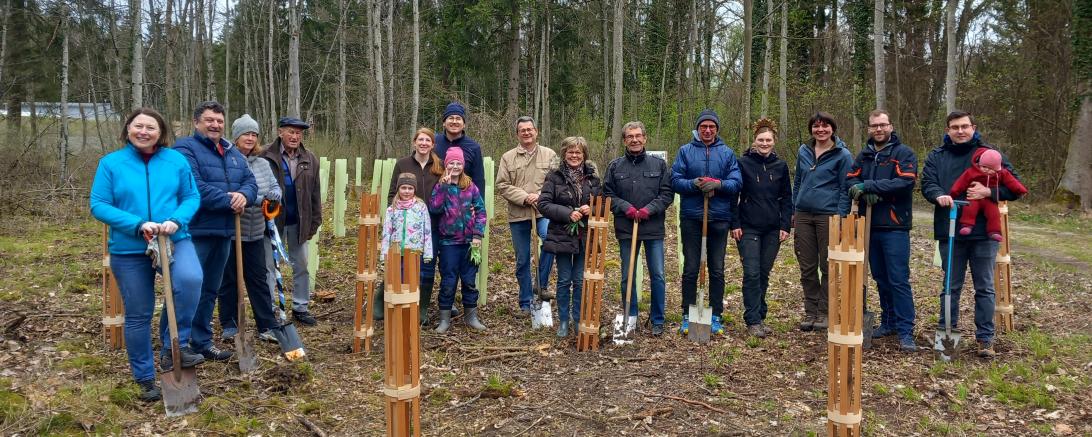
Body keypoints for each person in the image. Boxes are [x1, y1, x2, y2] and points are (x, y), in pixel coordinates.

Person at [91, 108, 205, 401]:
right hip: (130, 248)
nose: (144, 132)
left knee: (190, 281)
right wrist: (137, 224)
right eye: (138, 126)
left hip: (174, 239)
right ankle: (144, 377)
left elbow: (191, 196)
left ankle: (172, 348)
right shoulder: (111, 164)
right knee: (139, 313)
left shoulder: (176, 161)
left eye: (150, 127)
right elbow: (99, 204)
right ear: (128, 129)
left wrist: (176, 220)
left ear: (161, 132)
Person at [921, 110, 1024, 358]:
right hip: (950, 229)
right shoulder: (937, 156)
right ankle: (947, 334)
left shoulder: (990, 155)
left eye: (964, 126)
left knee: (985, 287)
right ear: (948, 130)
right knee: (950, 286)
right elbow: (927, 183)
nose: (960, 131)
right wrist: (939, 195)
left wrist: (989, 194)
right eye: (955, 127)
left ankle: (985, 339)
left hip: (984, 234)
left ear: (973, 127)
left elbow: (1015, 186)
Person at [174, 101, 257, 362]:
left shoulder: (232, 152)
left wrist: (244, 195)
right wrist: (229, 200)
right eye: (209, 120)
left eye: (219, 121)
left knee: (210, 289)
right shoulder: (185, 148)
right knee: (186, 288)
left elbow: (250, 182)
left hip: (223, 231)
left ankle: (202, 341)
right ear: (196, 122)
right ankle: (175, 343)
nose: (215, 125)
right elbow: (194, 186)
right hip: (194, 231)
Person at [840, 109, 919, 351]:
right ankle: (889, 322)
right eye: (874, 126)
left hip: (894, 226)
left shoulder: (903, 153)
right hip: (869, 227)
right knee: (880, 278)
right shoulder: (864, 156)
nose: (879, 129)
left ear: (891, 126)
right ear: (869, 129)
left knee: (898, 279)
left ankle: (906, 331)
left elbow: (905, 182)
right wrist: (859, 188)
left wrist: (871, 186)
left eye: (883, 125)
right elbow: (850, 179)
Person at [670, 109, 742, 336]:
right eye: (703, 127)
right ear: (698, 129)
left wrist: (718, 184)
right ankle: (687, 314)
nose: (707, 130)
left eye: (711, 127)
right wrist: (694, 183)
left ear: (717, 129)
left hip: (719, 218)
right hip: (692, 218)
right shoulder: (685, 151)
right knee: (691, 267)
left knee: (717, 269)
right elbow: (675, 180)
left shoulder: (727, 153)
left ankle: (716, 315)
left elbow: (736, 182)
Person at [215, 114, 281, 344]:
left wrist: (275, 195)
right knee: (229, 279)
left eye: (254, 134)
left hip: (255, 231)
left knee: (258, 278)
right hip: (231, 232)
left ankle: (266, 324)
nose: (250, 138)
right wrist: (252, 198)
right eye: (246, 134)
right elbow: (230, 193)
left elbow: (273, 186)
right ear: (235, 137)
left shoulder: (263, 163)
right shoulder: (227, 161)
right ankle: (230, 324)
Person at [603, 121, 674, 336]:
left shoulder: (658, 165)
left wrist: (648, 210)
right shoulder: (615, 166)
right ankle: (630, 317)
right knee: (628, 274)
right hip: (626, 229)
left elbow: (666, 193)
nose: (634, 140)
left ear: (645, 138)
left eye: (638, 136)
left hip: (653, 228)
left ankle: (657, 319)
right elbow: (607, 194)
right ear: (624, 140)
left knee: (658, 275)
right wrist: (625, 208)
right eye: (630, 136)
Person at [730, 118, 792, 339]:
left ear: (774, 142)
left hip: (773, 229)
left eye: (768, 140)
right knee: (752, 273)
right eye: (760, 140)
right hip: (748, 228)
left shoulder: (781, 166)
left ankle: (760, 315)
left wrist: (785, 225)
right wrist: (734, 223)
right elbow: (734, 195)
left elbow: (786, 198)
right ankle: (752, 320)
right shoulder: (743, 163)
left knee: (764, 273)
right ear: (754, 141)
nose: (764, 144)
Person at [792, 112, 853, 332]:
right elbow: (798, 181)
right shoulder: (803, 151)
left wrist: (840, 216)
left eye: (825, 126)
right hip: (803, 215)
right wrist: (794, 207)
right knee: (807, 266)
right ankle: (811, 310)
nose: (821, 130)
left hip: (828, 216)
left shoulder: (843, 155)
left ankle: (825, 312)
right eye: (816, 126)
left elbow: (846, 189)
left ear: (832, 129)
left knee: (827, 266)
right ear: (811, 130)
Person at [538, 136, 602, 337]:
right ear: (564, 154)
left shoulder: (593, 178)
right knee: (564, 280)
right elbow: (544, 204)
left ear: (584, 155)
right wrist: (567, 213)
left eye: (578, 152)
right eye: (570, 152)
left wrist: (590, 208)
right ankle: (563, 321)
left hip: (585, 236)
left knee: (580, 280)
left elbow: (602, 204)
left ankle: (577, 319)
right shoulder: (554, 177)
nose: (574, 156)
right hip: (561, 236)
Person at [261, 117, 322, 327]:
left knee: (302, 264)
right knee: (269, 266)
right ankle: (271, 310)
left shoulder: (310, 159)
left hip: (299, 222)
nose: (295, 137)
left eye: (298, 133)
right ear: (280, 133)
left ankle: (300, 306)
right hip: (272, 223)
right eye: (290, 132)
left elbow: (315, 193)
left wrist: (315, 221)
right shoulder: (266, 156)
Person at [496, 116, 558, 313]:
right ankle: (525, 301)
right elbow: (502, 185)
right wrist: (525, 197)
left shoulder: (549, 155)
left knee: (550, 238)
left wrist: (539, 196)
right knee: (522, 259)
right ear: (517, 134)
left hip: (544, 210)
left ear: (536, 131)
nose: (526, 133)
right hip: (518, 213)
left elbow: (556, 181)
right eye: (522, 130)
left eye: (529, 129)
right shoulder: (508, 157)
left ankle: (541, 283)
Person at [387, 128, 446, 325]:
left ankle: (421, 310)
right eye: (420, 140)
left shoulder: (439, 165)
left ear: (432, 144)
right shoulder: (403, 164)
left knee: (427, 267)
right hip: (406, 226)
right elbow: (392, 192)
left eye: (427, 140)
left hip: (434, 224)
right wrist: (394, 216)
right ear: (414, 142)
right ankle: (399, 303)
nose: (423, 143)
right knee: (403, 266)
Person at [428, 148, 488, 333]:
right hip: (448, 243)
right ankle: (444, 318)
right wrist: (444, 187)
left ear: (463, 165)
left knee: (469, 280)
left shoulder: (470, 186)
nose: (455, 166)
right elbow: (435, 209)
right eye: (451, 163)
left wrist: (477, 235)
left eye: (458, 163)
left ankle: (471, 316)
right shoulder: (440, 186)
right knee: (448, 281)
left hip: (470, 243)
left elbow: (481, 212)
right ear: (446, 165)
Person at [949, 148, 1028, 241]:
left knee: (994, 213)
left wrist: (1021, 190)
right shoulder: (972, 172)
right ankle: (966, 225)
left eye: (991, 169)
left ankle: (994, 231)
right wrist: (952, 194)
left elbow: (1012, 182)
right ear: (979, 164)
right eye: (984, 167)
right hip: (973, 197)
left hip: (990, 199)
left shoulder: (1002, 173)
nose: (986, 170)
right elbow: (961, 182)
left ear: (997, 169)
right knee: (969, 208)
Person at [380, 173, 434, 302]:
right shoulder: (391, 209)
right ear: (398, 189)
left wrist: (428, 253)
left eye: (410, 188)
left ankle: (412, 309)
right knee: (397, 282)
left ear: (414, 190)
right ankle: (397, 309)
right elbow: (386, 233)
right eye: (403, 188)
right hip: (396, 253)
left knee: (412, 282)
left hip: (414, 252)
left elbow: (427, 231)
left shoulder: (421, 207)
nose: (407, 191)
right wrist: (384, 255)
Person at [434, 102, 486, 195]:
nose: (454, 121)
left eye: (458, 118)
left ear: (464, 124)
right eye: (450, 118)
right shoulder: (433, 143)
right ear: (444, 123)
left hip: (462, 203)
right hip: (435, 201)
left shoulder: (473, 147)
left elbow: (478, 180)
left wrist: (477, 205)